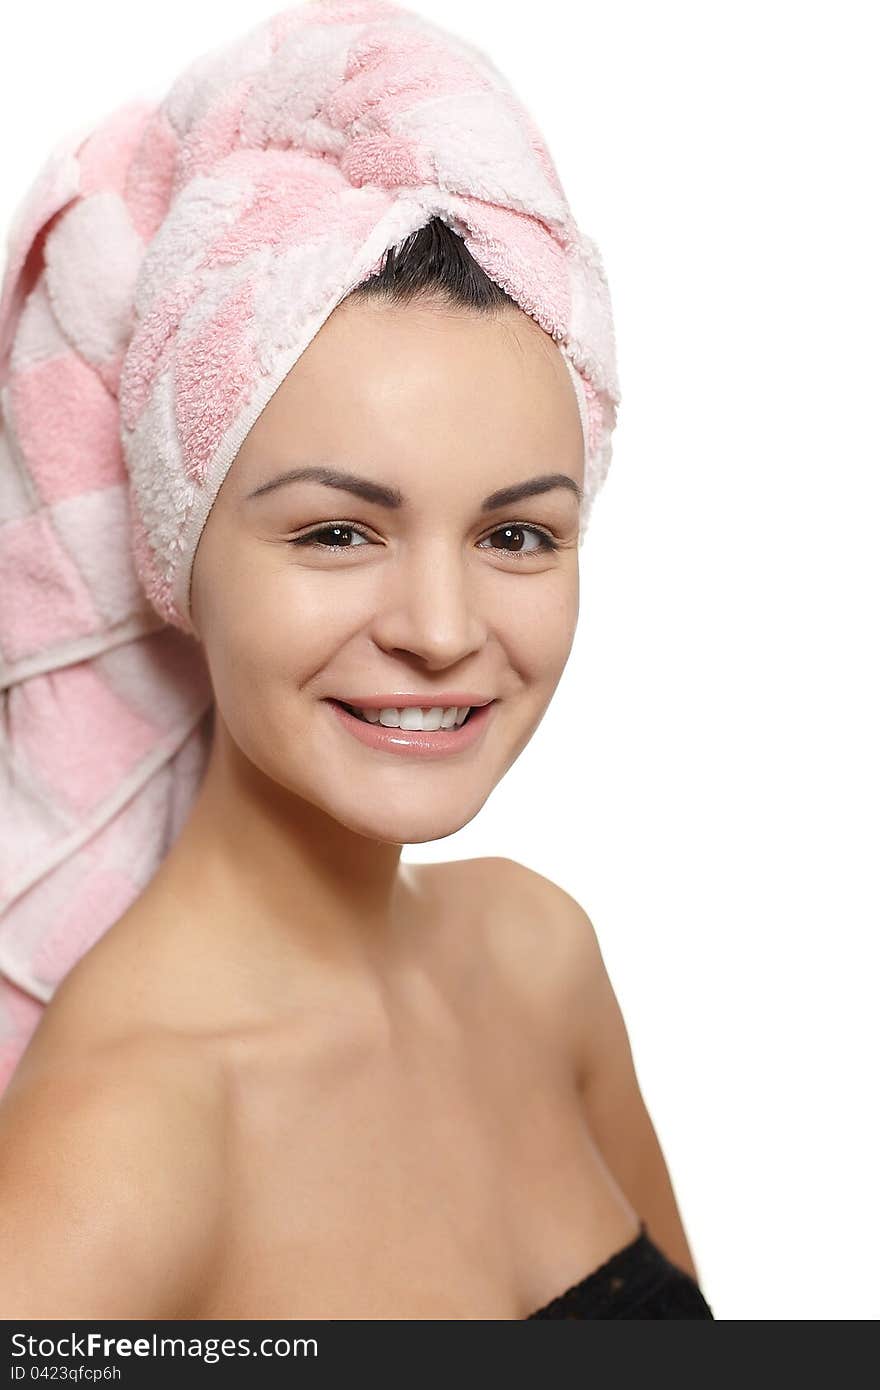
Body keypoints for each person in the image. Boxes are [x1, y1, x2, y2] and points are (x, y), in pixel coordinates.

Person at [0, 2, 712, 1320]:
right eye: (339, 529)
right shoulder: (115, 1149)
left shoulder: (540, 958)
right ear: (177, 549)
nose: (441, 628)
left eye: (517, 531)